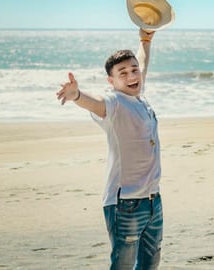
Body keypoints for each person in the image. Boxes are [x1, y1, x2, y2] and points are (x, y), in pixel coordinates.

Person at [56, 28, 163, 269]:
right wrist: (76, 95)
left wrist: (145, 39)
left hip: (153, 200)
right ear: (111, 81)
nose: (132, 76)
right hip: (125, 203)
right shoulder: (114, 102)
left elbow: (143, 62)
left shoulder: (138, 95)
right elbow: (96, 103)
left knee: (150, 264)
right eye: (122, 73)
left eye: (133, 70)